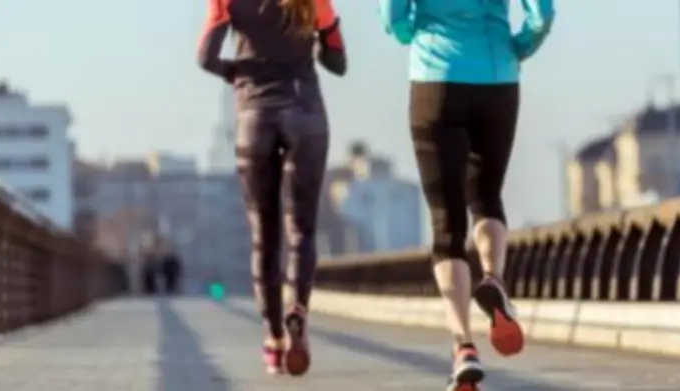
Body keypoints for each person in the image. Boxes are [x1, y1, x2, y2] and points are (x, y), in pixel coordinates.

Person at [379, 0, 555, 389]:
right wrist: (519, 47)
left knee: (447, 225)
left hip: (434, 78)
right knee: (487, 196)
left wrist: (413, 33)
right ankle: (493, 279)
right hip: (498, 80)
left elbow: (393, 17)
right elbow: (542, 15)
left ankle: (464, 347)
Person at [197, 0, 347, 377]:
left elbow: (205, 57)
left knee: (264, 236)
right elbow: (338, 63)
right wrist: (317, 40)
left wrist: (236, 72)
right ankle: (298, 309)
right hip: (305, 111)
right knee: (302, 231)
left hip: (254, 114)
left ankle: (274, 338)